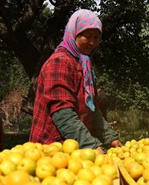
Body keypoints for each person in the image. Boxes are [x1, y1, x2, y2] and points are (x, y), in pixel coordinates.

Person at [29, 9, 122, 153]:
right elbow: (62, 113)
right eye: (87, 36)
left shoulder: (84, 64)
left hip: (74, 148)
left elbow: (92, 108)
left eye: (97, 37)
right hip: (52, 149)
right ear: (74, 34)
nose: (92, 42)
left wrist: (110, 138)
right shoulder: (59, 62)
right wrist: (90, 145)